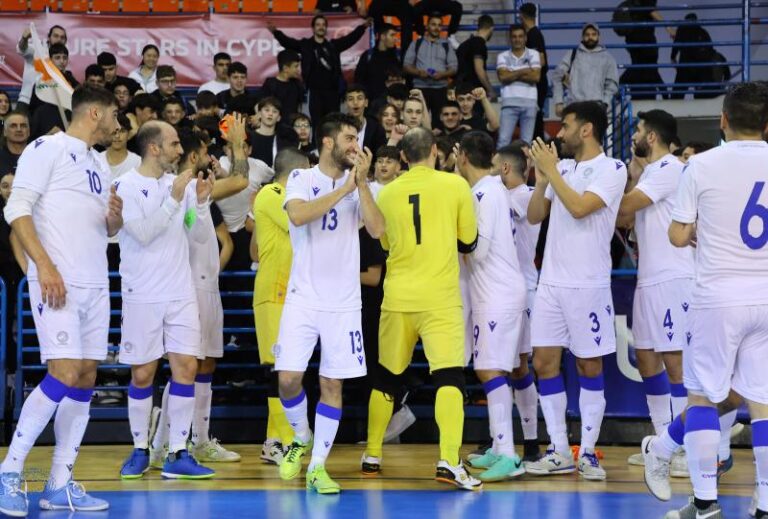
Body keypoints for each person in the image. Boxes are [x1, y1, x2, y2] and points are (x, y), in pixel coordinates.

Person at [0, 85, 121, 516]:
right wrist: (45, 267)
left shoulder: (100, 164)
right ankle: (9, 472)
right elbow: (16, 209)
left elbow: (105, 231)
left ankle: (58, 483)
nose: (117, 124)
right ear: (93, 113)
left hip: (95, 284)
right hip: (57, 281)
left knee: (86, 376)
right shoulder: (46, 147)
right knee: (64, 371)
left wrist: (114, 219)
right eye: (113, 116)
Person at [653, 81, 768, 519]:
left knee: (701, 398)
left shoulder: (700, 165)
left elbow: (679, 234)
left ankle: (704, 504)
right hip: (766, 296)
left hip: (718, 295)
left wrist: (699, 230)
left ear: (723, 121)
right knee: (763, 401)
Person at [362, 126, 480, 490]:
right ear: (433, 150)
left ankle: (372, 453)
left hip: (396, 296)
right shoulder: (454, 185)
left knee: (386, 377)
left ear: (402, 157)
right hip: (439, 297)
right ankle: (448, 459)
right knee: (449, 376)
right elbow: (469, 242)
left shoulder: (387, 192)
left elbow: (379, 237)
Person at [275, 113, 385, 494]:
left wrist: (363, 185)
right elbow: (300, 214)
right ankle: (301, 436)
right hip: (303, 298)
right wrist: (343, 190)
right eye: (350, 138)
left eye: (358, 138)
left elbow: (377, 229)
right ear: (327, 142)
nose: (356, 146)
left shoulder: (361, 186)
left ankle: (318, 466)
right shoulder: (301, 179)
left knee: (331, 383)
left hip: (343, 303)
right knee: (288, 379)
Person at [524, 101, 627, 481]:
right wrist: (542, 178)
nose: (558, 133)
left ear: (586, 129)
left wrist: (553, 172)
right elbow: (536, 216)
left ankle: (587, 452)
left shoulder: (613, 169)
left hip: (588, 286)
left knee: (589, 364)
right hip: (550, 282)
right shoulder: (561, 168)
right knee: (543, 363)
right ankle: (557, 448)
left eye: (565, 126)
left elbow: (582, 207)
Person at [116, 120, 216, 481]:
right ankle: (141, 449)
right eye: (173, 144)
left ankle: (178, 452)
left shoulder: (183, 186)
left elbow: (200, 235)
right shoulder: (126, 185)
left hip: (180, 290)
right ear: (154, 148)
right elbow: (142, 233)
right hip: (142, 292)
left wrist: (201, 203)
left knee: (186, 368)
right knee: (143, 373)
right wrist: (176, 198)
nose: (180, 150)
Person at [146, 127, 244, 468]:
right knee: (186, 367)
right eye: (205, 152)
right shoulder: (186, 188)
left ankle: (191, 440)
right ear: (192, 157)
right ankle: (166, 443)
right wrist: (236, 144)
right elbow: (243, 181)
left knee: (204, 365)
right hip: (189, 286)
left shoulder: (197, 191)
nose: (211, 158)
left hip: (206, 284)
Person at [615, 110, 693, 474]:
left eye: (639, 129)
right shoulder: (651, 172)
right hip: (649, 279)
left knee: (676, 365)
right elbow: (629, 219)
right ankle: (663, 443)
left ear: (652, 137)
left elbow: (626, 208)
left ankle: (684, 446)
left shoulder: (670, 168)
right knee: (646, 359)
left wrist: (599, 196)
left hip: (673, 277)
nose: (635, 134)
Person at [456, 131, 527, 483]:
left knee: (489, 370)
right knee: (492, 370)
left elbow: (477, 249)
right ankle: (500, 449)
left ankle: (509, 454)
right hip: (496, 292)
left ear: (463, 157)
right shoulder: (489, 190)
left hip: (496, 294)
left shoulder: (483, 192)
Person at [251, 147, 311, 465]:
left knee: (284, 368)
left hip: (288, 293)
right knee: (276, 370)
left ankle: (273, 441)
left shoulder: (281, 194)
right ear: (297, 172)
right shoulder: (273, 193)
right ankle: (288, 443)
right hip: (274, 293)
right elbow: (299, 223)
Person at [496, 142, 542, 463]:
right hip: (500, 290)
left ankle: (530, 442)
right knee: (503, 366)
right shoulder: (499, 196)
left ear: (505, 168)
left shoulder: (525, 196)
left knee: (519, 365)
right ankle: (502, 442)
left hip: (522, 290)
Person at [267, 15, 371, 126]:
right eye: (318, 24)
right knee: (317, 125)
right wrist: (276, 32)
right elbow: (288, 42)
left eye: (323, 25)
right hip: (314, 93)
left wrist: (363, 27)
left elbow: (351, 39)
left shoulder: (333, 46)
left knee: (334, 125)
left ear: (326, 28)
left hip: (333, 93)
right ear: (313, 28)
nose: (321, 27)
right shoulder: (306, 45)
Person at [551, 24, 619, 119]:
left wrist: (605, 104)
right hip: (574, 107)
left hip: (596, 108)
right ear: (582, 37)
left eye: (593, 34)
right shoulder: (572, 54)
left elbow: (612, 84)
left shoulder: (608, 58)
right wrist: (559, 102)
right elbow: (557, 77)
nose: (590, 37)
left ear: (598, 37)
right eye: (587, 35)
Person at [403, 14, 458, 127]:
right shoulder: (416, 43)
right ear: (427, 26)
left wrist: (442, 74)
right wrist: (419, 72)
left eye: (439, 25)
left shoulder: (446, 44)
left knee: (440, 124)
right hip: (420, 88)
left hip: (440, 89)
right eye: (433, 24)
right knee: (417, 122)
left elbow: (454, 68)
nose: (436, 27)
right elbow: (406, 65)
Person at [496, 25, 541, 147]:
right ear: (510, 38)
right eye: (514, 36)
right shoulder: (502, 56)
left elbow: (536, 77)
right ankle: (503, 167)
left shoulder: (534, 54)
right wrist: (524, 70)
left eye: (520, 36)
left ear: (525, 38)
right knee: (503, 142)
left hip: (530, 103)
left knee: (526, 144)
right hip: (509, 103)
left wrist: (512, 72)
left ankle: (523, 167)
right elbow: (503, 78)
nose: (517, 39)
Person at [619, 0, 673, 100]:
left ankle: (618, 90)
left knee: (639, 67)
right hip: (645, 41)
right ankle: (666, 97)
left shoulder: (633, 3)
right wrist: (669, 28)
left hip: (633, 41)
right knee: (649, 69)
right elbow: (652, 11)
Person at [16, 25, 67, 109]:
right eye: (56, 36)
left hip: (48, 105)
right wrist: (24, 39)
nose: (59, 39)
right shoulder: (38, 51)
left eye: (62, 37)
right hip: (26, 102)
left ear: (65, 41)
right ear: (49, 37)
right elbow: (22, 49)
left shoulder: (63, 60)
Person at [519, 3, 549, 140]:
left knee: (535, 120)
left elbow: (540, 60)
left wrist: (523, 70)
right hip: (536, 84)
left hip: (537, 85)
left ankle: (540, 146)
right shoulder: (534, 34)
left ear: (522, 16)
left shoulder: (534, 35)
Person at [671, 14, 716, 99]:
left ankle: (674, 110)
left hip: (685, 66)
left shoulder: (682, 30)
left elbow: (676, 46)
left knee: (676, 96)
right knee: (702, 95)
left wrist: (673, 58)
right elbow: (710, 49)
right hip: (700, 67)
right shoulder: (703, 32)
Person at [354, 24, 401, 103]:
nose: (395, 39)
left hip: (392, 102)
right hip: (371, 103)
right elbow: (359, 79)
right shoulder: (368, 55)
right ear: (382, 37)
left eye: (395, 35)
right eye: (392, 35)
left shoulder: (396, 56)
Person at [249, 97, 298, 168]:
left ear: (279, 118)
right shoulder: (249, 137)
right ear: (259, 114)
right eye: (267, 110)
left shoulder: (283, 140)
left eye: (274, 111)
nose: (270, 114)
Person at [455, 14, 495, 98]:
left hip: (460, 89)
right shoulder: (480, 45)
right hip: (473, 91)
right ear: (491, 28)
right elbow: (479, 69)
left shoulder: (464, 45)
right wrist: (490, 90)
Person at [260, 50, 305, 120]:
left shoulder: (297, 84)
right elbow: (262, 106)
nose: (299, 70)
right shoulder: (270, 84)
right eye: (296, 66)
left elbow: (301, 107)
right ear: (285, 68)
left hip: (292, 126)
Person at [344, 84, 387, 157]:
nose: (355, 102)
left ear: (366, 103)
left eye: (359, 98)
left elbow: (381, 156)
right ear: (345, 104)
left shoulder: (376, 129)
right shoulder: (337, 127)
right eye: (351, 99)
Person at [101, 112, 141, 182]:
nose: (117, 136)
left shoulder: (138, 162)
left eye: (122, 131)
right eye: (114, 131)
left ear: (129, 134)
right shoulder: (96, 160)